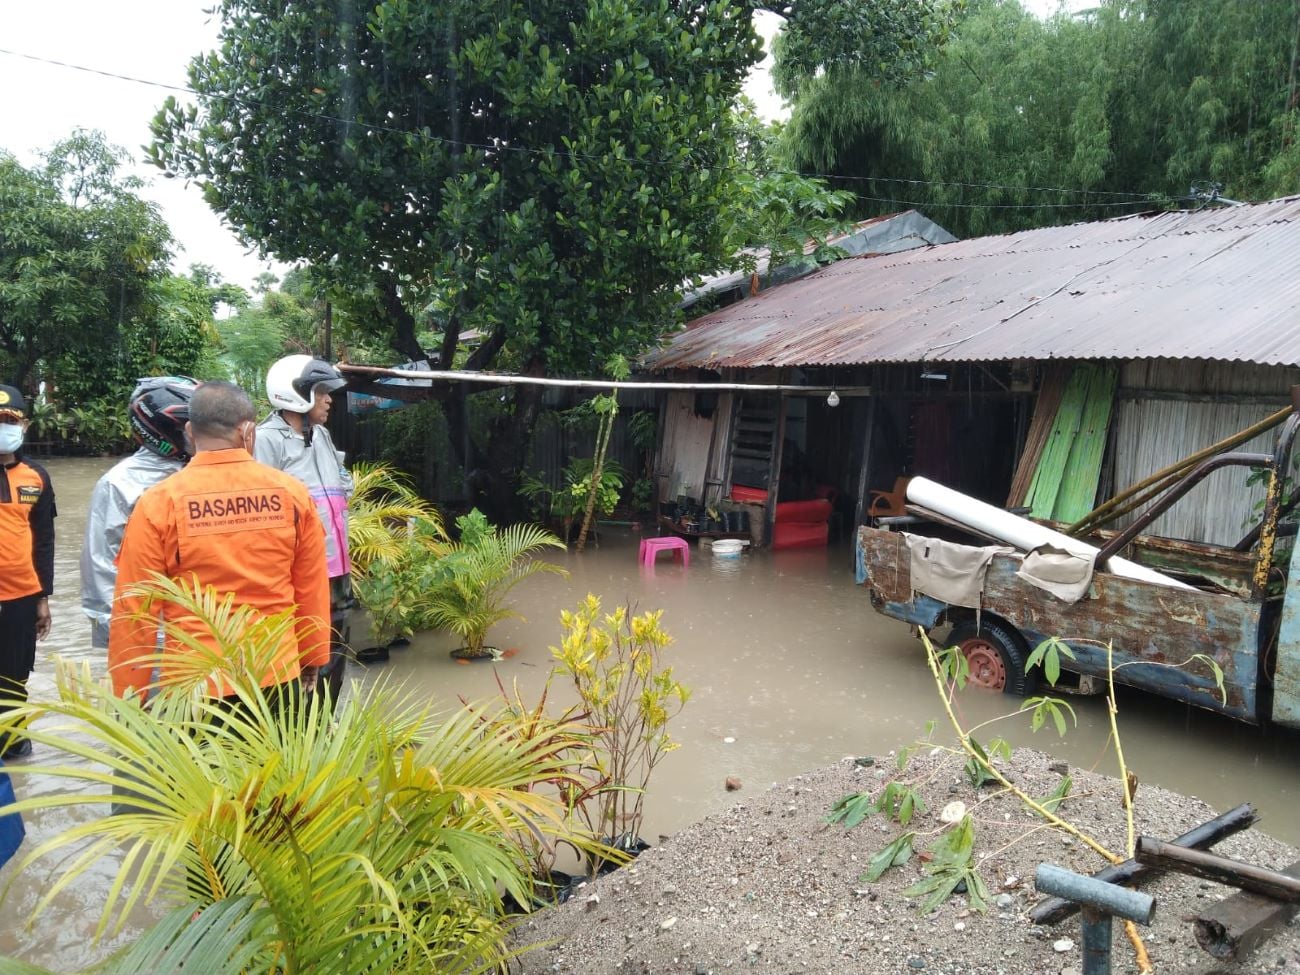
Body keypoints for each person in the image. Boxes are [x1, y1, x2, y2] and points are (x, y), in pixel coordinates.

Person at [107, 381, 330, 704]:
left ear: (189, 431)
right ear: (249, 431)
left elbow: (134, 608)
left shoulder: (159, 502)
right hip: (275, 673)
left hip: (193, 683)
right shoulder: (292, 494)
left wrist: (130, 694)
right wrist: (312, 656)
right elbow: (310, 585)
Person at [255, 355, 353, 704]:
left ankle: (326, 724)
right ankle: (300, 729)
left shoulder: (322, 435)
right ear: (295, 393)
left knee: (335, 648)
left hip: (338, 566)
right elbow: (261, 511)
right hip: (303, 569)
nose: (329, 399)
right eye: (321, 391)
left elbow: (341, 483)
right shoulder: (267, 440)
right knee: (304, 650)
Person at [80, 377, 200, 651]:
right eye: (192, 425)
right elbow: (100, 563)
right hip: (149, 624)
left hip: (202, 622)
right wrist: (117, 629)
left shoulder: (206, 471)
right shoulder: (120, 484)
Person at [0, 384, 55, 760]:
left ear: (25, 425)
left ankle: (15, 743)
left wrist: (43, 598)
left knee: (16, 676)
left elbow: (44, 541)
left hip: (21, 596)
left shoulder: (36, 476)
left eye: (9, 420)